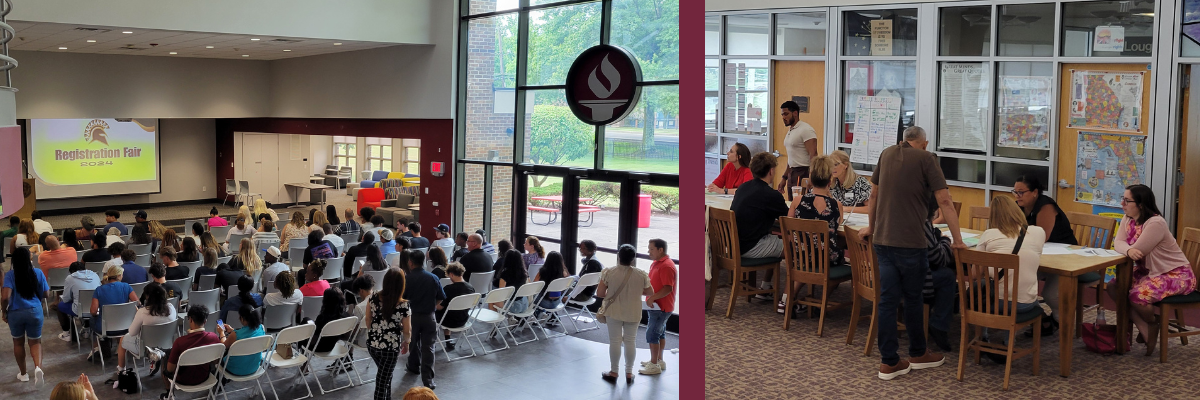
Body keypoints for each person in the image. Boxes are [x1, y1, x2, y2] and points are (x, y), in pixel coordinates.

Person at [860, 126, 963, 380]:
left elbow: (873, 195)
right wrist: (958, 240)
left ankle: (889, 361)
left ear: (903, 141)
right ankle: (918, 353)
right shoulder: (926, 159)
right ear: (924, 144)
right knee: (914, 298)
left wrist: (873, 227)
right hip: (910, 243)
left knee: (887, 300)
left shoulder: (886, 154)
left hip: (882, 240)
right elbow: (945, 201)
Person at [1108, 185, 1198, 355]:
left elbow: (1139, 250)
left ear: (1141, 204)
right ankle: (1147, 323)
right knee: (1114, 286)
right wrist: (1128, 250)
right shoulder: (1128, 218)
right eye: (1123, 199)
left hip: (1176, 273)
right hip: (1150, 272)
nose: (1122, 204)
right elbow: (1118, 244)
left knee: (1136, 295)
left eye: (1127, 201)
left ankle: (1150, 324)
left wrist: (1128, 248)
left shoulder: (1156, 223)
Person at [973, 196, 1047, 363]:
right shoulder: (1037, 232)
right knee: (1016, 289)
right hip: (1025, 304)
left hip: (997, 304)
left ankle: (983, 337)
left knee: (985, 290)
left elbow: (974, 275)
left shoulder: (988, 235)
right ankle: (1008, 342)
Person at [729, 152, 790, 296]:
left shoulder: (743, 188)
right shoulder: (771, 195)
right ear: (771, 171)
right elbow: (789, 220)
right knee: (796, 248)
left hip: (734, 245)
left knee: (775, 240)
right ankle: (789, 298)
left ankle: (766, 286)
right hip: (751, 246)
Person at [597, 244, 653, 384]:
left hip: (614, 311)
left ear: (619, 256)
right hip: (633, 311)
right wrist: (635, 291)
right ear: (633, 259)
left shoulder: (609, 272)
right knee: (630, 341)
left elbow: (600, 293)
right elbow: (650, 292)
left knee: (615, 341)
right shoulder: (641, 274)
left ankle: (614, 371)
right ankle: (629, 372)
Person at [2, 247, 50, 384]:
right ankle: (38, 369)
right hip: (35, 311)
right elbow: (46, 294)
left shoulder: (10, 275)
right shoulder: (38, 273)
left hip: (16, 313)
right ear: (29, 259)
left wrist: (3, 311)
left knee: (18, 342)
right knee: (35, 342)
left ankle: (23, 374)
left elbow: (5, 297)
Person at [920, 194, 959, 352]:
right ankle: (939, 324)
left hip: (894, 276)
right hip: (914, 279)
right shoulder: (923, 224)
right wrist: (945, 240)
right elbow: (939, 257)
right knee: (948, 276)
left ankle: (942, 314)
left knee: (945, 273)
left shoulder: (902, 218)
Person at [365, 268, 412, 399]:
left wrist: (374, 331)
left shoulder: (373, 297)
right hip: (390, 348)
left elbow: (368, 319)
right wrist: (407, 342)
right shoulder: (403, 305)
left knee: (385, 375)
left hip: (373, 344)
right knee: (382, 382)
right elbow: (408, 330)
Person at [113, 283, 176, 379]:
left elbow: (132, 332)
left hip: (145, 346)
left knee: (122, 339)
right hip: (166, 344)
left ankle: (121, 369)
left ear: (148, 297)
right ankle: (157, 353)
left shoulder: (142, 312)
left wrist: (137, 315)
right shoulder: (171, 307)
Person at [402, 250, 445, 389]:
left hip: (412, 316)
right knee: (429, 347)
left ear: (410, 262)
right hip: (429, 317)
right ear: (424, 262)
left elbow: (401, 299)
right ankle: (428, 380)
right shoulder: (433, 277)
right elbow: (441, 296)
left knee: (413, 343)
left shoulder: (406, 278)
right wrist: (433, 306)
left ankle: (413, 366)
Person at [161, 306, 221, 397]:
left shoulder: (179, 342)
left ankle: (168, 393)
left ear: (191, 320)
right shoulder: (214, 337)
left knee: (165, 359)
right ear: (205, 321)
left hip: (183, 380)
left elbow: (170, 369)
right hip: (204, 377)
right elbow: (216, 361)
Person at [639, 239, 676, 375]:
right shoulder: (656, 263)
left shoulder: (666, 266)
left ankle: (654, 365)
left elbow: (668, 288)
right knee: (660, 333)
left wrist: (653, 297)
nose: (649, 252)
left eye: (651, 249)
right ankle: (658, 360)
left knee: (652, 333)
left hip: (661, 307)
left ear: (660, 250)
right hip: (655, 306)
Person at [91, 266, 139, 360]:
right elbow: (137, 303)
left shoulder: (99, 290)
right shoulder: (126, 286)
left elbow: (93, 311)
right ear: (119, 275)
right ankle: (119, 345)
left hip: (105, 328)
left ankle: (100, 348)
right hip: (125, 327)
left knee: (92, 320)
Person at [778, 100, 819, 201]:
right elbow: (792, 157)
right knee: (792, 203)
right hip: (792, 173)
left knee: (801, 203)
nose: (784, 117)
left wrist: (811, 177)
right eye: (782, 114)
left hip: (803, 172)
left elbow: (813, 155)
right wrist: (784, 177)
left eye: (786, 114)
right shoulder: (791, 130)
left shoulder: (806, 130)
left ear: (795, 113)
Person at [54, 261, 100, 342]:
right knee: (86, 304)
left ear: (71, 271)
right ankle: (86, 328)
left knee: (59, 306)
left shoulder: (70, 278)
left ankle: (66, 334)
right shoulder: (95, 275)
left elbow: (66, 299)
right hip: (96, 308)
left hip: (79, 310)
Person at [218, 303, 265, 377]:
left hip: (234, 369)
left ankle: (220, 381)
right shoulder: (261, 328)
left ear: (242, 318)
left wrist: (221, 333)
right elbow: (247, 336)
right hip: (254, 367)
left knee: (219, 355)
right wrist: (232, 330)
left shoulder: (236, 334)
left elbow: (223, 346)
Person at [436, 263, 475, 351]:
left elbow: (440, 308)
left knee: (435, 312)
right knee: (450, 311)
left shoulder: (448, 288)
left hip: (448, 322)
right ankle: (448, 342)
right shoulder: (470, 288)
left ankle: (434, 342)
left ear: (451, 274)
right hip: (463, 320)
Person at [305, 287, 351, 353]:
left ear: (326, 301)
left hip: (318, 348)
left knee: (306, 320)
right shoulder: (345, 316)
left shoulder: (322, 318)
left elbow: (313, 339)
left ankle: (303, 359)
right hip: (333, 346)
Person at [829, 150, 872, 214]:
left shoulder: (861, 183)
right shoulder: (832, 184)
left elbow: (870, 208)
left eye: (836, 165)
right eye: (830, 165)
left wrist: (844, 209)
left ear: (845, 165)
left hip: (857, 221)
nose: (833, 168)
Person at [533, 252, 569, 322]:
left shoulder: (542, 271)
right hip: (557, 302)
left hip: (543, 302)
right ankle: (550, 315)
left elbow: (534, 285)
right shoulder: (564, 273)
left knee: (531, 296)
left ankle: (538, 313)